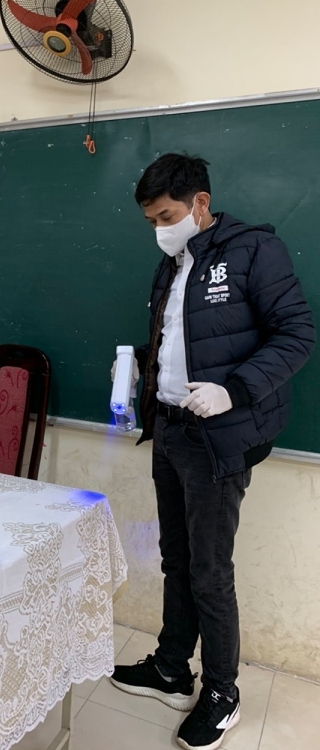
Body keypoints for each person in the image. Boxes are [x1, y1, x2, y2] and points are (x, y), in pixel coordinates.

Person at [109, 153, 314, 750]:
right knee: (174, 557)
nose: (159, 229)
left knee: (209, 570)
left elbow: (297, 333)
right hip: (169, 429)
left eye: (167, 215)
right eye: (150, 219)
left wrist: (236, 390)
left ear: (200, 203)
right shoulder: (170, 262)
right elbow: (178, 343)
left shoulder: (254, 251)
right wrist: (138, 378)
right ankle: (173, 667)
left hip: (218, 438)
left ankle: (222, 692)